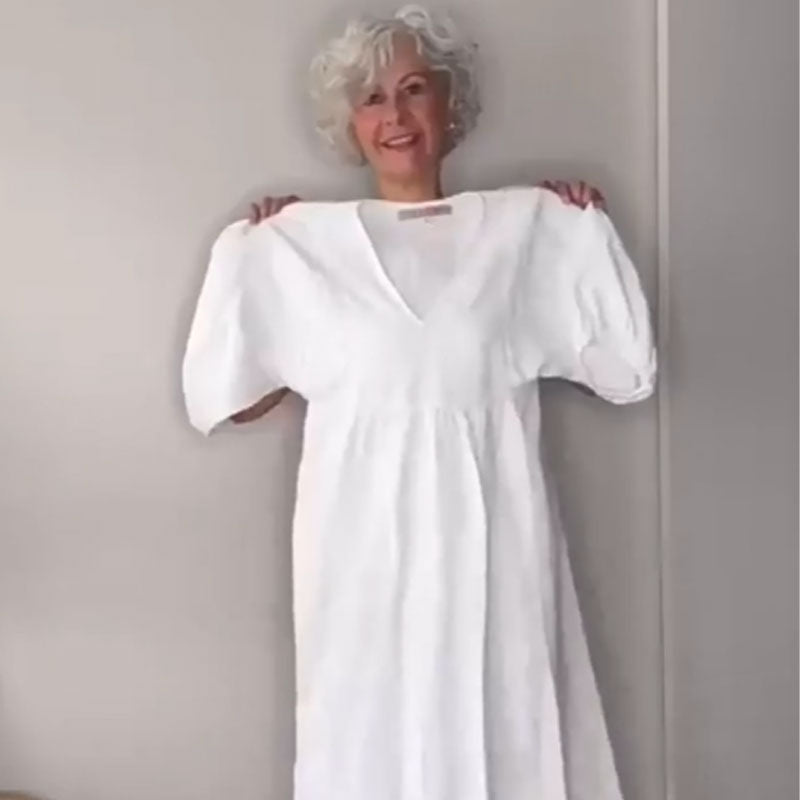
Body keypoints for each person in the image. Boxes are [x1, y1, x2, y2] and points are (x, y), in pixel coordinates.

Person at [182, 6, 656, 800]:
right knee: (370, 734)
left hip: (493, 548)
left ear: (448, 103)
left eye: (413, 89)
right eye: (372, 98)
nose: (395, 115)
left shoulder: (527, 237)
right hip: (361, 559)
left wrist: (572, 234)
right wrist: (266, 268)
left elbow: (620, 368)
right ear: (351, 123)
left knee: (502, 718)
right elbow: (233, 399)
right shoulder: (300, 252)